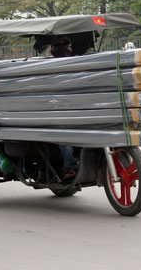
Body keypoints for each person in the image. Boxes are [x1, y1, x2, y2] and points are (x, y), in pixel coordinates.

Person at [49, 36, 79, 181]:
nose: (63, 49)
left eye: (66, 45)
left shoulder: (79, 65)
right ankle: (70, 167)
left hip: (78, 112)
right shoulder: (47, 68)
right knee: (64, 135)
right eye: (58, 46)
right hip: (58, 115)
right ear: (51, 50)